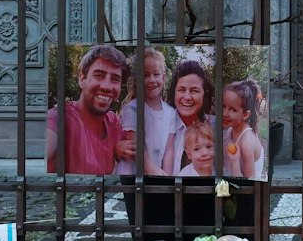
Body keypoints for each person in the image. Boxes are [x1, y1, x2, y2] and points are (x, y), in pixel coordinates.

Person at [45, 44, 134, 175]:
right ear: (82, 79)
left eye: (115, 79)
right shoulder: (60, 118)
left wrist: (117, 148)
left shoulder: (113, 122)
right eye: (99, 75)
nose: (106, 86)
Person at [118, 47, 179, 176]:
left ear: (163, 77)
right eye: (145, 75)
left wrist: (167, 179)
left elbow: (169, 151)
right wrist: (157, 174)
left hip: (156, 178)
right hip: (133, 178)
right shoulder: (132, 109)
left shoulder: (171, 113)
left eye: (156, 74)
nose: (152, 80)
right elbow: (137, 148)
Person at [159, 59, 212, 175]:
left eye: (194, 91)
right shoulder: (160, 124)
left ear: (205, 94)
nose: (187, 97)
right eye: (181, 90)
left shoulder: (213, 127)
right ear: (174, 93)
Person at [221, 78, 266, 181]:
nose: (225, 113)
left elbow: (248, 184)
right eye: (224, 107)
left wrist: (235, 161)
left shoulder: (246, 142)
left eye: (233, 110)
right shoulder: (230, 131)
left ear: (245, 115)